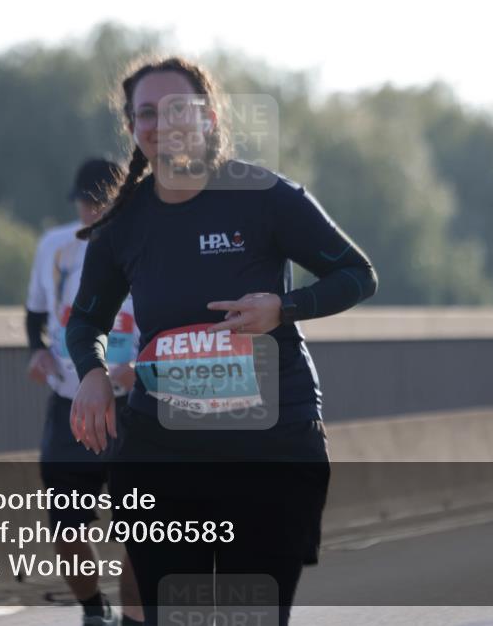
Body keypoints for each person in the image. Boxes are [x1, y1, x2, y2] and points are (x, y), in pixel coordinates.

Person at [65, 57, 378, 625]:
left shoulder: (265, 197)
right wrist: (92, 373)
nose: (162, 123)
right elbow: (86, 320)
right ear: (133, 128)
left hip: (270, 447)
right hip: (163, 451)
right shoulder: (124, 224)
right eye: (146, 113)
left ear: (208, 117)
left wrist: (283, 307)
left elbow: (357, 274)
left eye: (177, 109)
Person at [26, 159, 145, 626]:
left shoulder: (146, 242)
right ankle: (95, 610)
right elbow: (35, 314)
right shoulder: (54, 247)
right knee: (65, 525)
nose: (92, 211)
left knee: (142, 531)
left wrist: (144, 369)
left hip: (134, 407)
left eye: (101, 203)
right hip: (70, 404)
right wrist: (37, 352)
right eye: (85, 203)